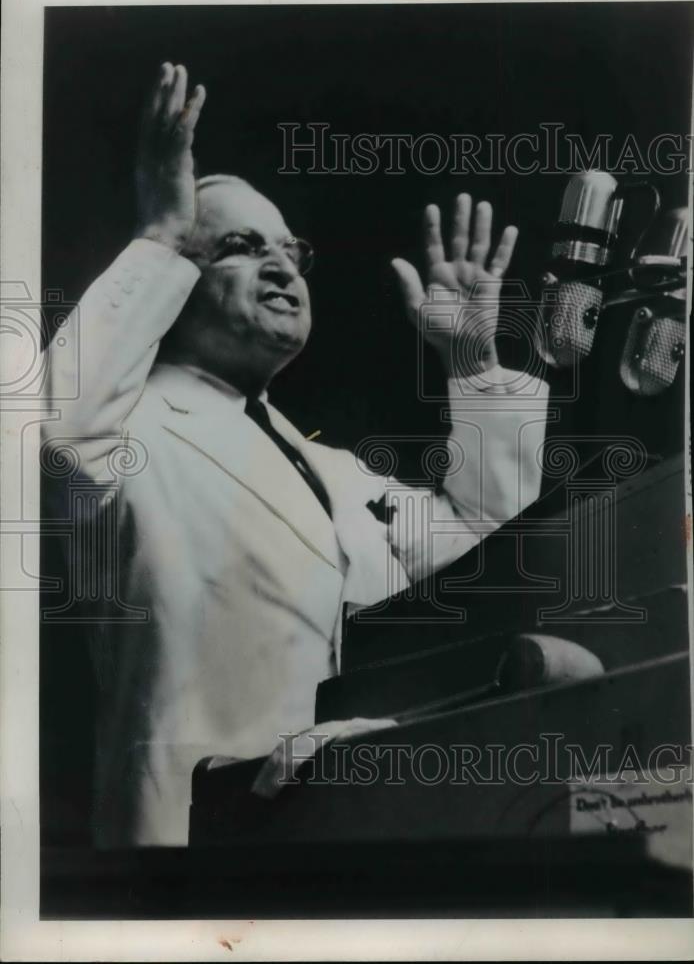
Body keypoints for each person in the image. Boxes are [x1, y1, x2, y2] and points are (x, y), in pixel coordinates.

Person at [43, 62, 548, 847]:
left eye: (291, 249)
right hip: (191, 856)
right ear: (174, 279)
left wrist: (473, 371)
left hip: (355, 835)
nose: (282, 266)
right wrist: (160, 235)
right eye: (240, 247)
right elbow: (52, 430)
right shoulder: (123, 431)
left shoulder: (338, 473)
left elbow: (495, 562)